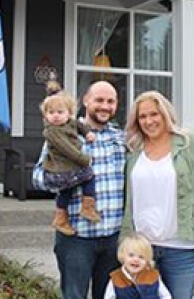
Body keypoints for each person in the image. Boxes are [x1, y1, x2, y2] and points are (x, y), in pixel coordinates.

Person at [121, 90, 194, 299]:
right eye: (142, 116)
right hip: (142, 248)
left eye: (154, 114)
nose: (149, 121)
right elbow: (129, 200)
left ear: (165, 114)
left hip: (182, 249)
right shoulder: (134, 151)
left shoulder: (191, 144)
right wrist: (124, 241)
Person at [33, 81, 127, 299]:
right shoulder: (64, 131)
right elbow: (37, 177)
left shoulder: (120, 138)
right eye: (99, 100)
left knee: (108, 296)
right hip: (76, 237)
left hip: (113, 237)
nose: (105, 106)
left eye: (110, 101)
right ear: (86, 101)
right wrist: (65, 179)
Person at [40, 81, 101, 236]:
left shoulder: (69, 123)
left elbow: (79, 126)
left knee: (67, 191)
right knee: (88, 176)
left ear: (69, 114)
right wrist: (84, 160)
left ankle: (63, 217)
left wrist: (87, 133)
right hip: (59, 170)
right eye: (51, 112)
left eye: (60, 112)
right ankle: (86, 208)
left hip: (67, 169)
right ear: (45, 115)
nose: (55, 116)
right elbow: (67, 149)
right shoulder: (52, 132)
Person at [104, 232, 172, 299]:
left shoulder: (153, 275)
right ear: (122, 256)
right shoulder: (115, 278)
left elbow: (166, 296)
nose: (136, 260)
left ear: (147, 260)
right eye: (131, 255)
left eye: (141, 257)